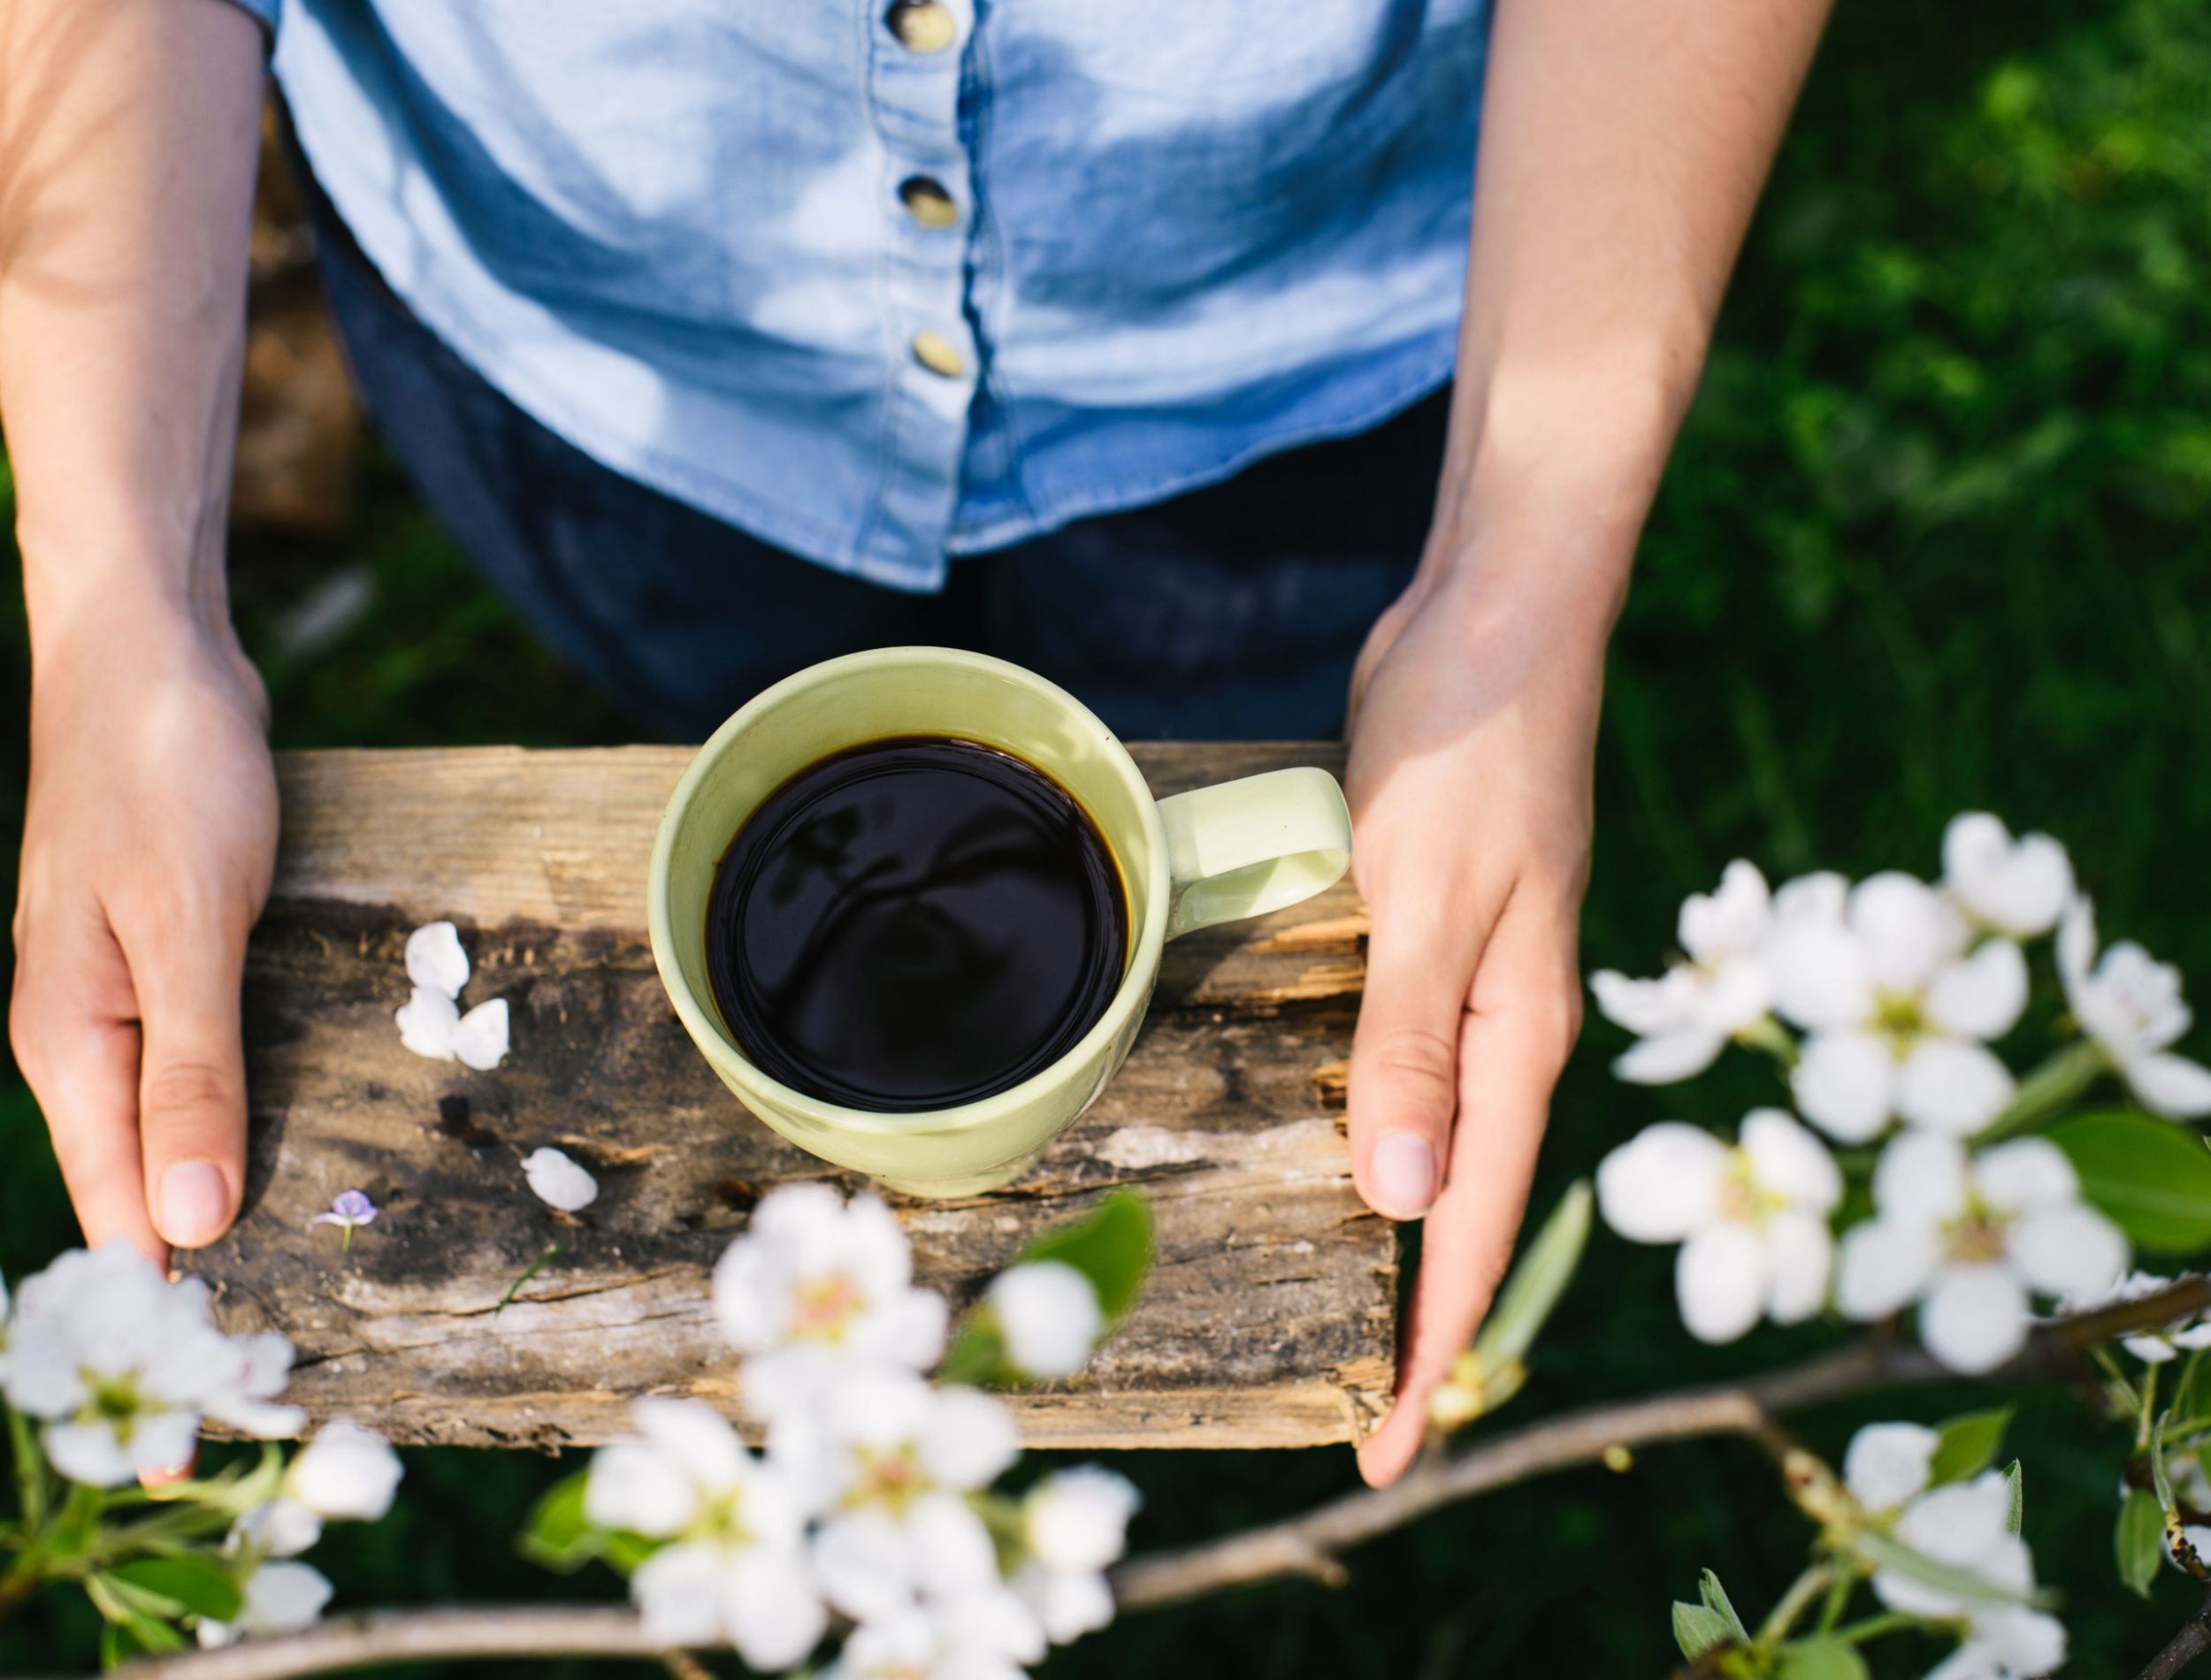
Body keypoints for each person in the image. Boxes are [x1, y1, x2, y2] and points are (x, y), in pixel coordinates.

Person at [0, 0, 1831, 1487]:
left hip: (1293, 367)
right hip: (607, 385)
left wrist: (1503, 588)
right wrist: (117, 609)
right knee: (693, 687)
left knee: (1259, 682)